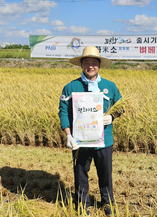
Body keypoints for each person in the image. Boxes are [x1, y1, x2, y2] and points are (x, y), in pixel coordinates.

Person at [58, 46, 122, 216]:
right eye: (87, 63)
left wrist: (113, 116)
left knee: (105, 174)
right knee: (80, 175)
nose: (91, 66)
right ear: (82, 65)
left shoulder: (110, 86)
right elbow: (63, 110)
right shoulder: (71, 87)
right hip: (80, 140)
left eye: (94, 63)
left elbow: (122, 106)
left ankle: (107, 203)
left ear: (99, 65)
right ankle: (82, 204)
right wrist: (68, 134)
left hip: (104, 139)